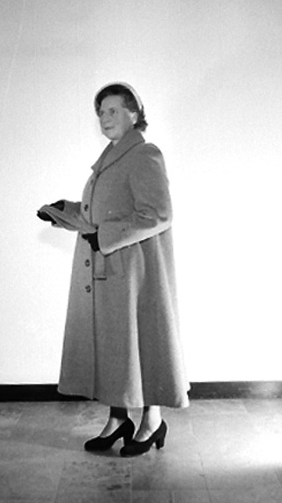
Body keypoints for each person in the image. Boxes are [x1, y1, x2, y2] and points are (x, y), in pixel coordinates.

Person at [38, 82, 189, 457]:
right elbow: (105, 212)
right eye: (101, 113)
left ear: (133, 114)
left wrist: (102, 236)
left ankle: (152, 421)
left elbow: (158, 214)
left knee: (143, 345)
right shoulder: (111, 158)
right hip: (110, 270)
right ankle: (118, 418)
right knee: (116, 350)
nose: (104, 119)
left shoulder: (145, 154)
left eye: (113, 111)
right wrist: (67, 211)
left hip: (136, 273)